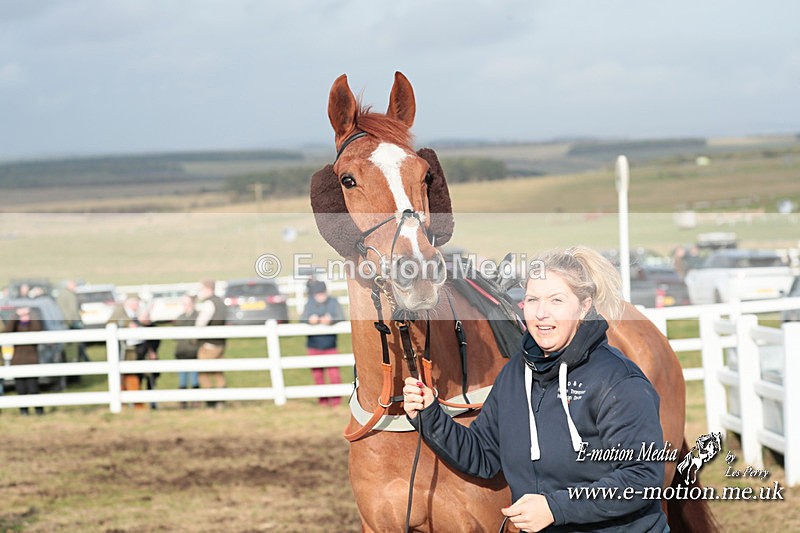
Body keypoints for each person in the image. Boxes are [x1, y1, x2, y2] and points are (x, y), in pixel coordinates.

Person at [403, 246, 667, 532]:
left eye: (556, 300)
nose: (541, 313)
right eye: (532, 299)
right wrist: (428, 414)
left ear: (584, 305)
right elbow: (482, 454)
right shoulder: (515, 374)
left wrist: (555, 508)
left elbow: (641, 478)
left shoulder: (618, 381)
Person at [300, 280, 344, 407]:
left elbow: (341, 316)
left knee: (334, 374)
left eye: (322, 293)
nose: (320, 296)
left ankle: (337, 401)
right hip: (313, 345)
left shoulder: (333, 302)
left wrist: (331, 320)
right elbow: (302, 319)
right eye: (317, 294)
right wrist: (309, 321)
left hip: (330, 344)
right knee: (317, 375)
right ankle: (323, 401)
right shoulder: (309, 303)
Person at [4, 306, 45, 415]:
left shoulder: (33, 324)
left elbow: (38, 329)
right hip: (17, 361)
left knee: (34, 388)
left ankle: (39, 411)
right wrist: (16, 316)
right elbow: (7, 330)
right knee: (21, 389)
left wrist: (31, 315)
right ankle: (24, 411)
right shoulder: (15, 325)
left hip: (31, 360)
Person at [195, 280, 227, 408]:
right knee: (218, 372)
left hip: (209, 344)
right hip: (221, 343)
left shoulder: (209, 303)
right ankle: (221, 399)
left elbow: (200, 323)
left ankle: (210, 400)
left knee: (203, 373)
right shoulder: (221, 302)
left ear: (207, 289)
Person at [174, 293, 200, 407]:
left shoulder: (197, 316)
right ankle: (183, 402)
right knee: (182, 379)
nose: (185, 305)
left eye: (187, 303)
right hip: (181, 352)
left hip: (193, 352)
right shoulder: (180, 318)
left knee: (194, 378)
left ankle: (195, 401)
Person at [55, 280, 89, 362]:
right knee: (77, 343)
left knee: (71, 344)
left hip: (66, 322)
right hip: (72, 322)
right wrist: (75, 321)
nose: (75, 288)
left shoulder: (61, 294)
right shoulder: (69, 295)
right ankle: (82, 359)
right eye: (74, 286)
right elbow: (72, 310)